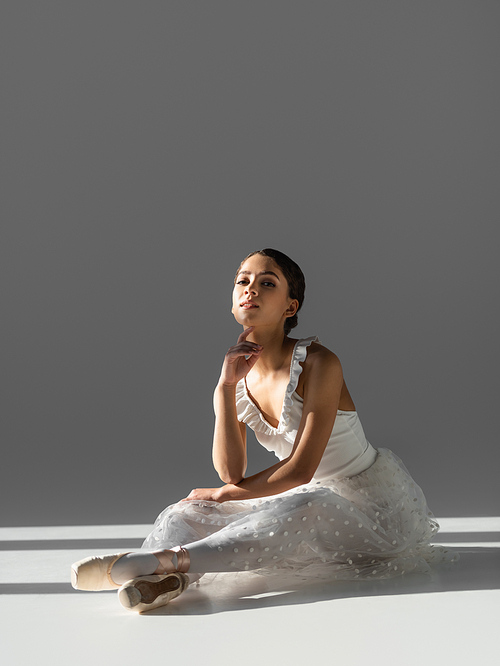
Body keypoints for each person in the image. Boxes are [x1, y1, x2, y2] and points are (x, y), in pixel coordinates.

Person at [71, 248, 457, 612]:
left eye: (267, 282)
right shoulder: (236, 375)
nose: (251, 289)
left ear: (291, 306)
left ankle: (167, 561)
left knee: (309, 504)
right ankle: (165, 583)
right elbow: (231, 472)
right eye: (243, 281)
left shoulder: (320, 363)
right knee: (184, 512)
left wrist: (224, 494)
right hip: (295, 495)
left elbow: (302, 471)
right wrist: (224, 388)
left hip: (365, 509)